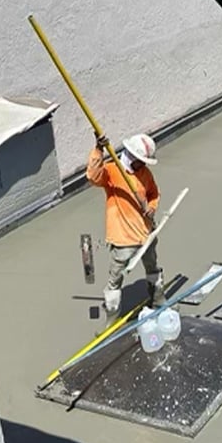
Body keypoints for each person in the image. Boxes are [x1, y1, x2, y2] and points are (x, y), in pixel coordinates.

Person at [87, 132, 163, 326]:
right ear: (131, 157)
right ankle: (112, 318)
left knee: (153, 268)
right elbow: (93, 176)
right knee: (115, 279)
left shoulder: (145, 173)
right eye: (140, 161)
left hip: (145, 234)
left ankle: (158, 300)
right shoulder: (113, 171)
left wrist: (151, 208)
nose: (142, 165)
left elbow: (154, 193)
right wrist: (99, 149)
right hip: (123, 238)